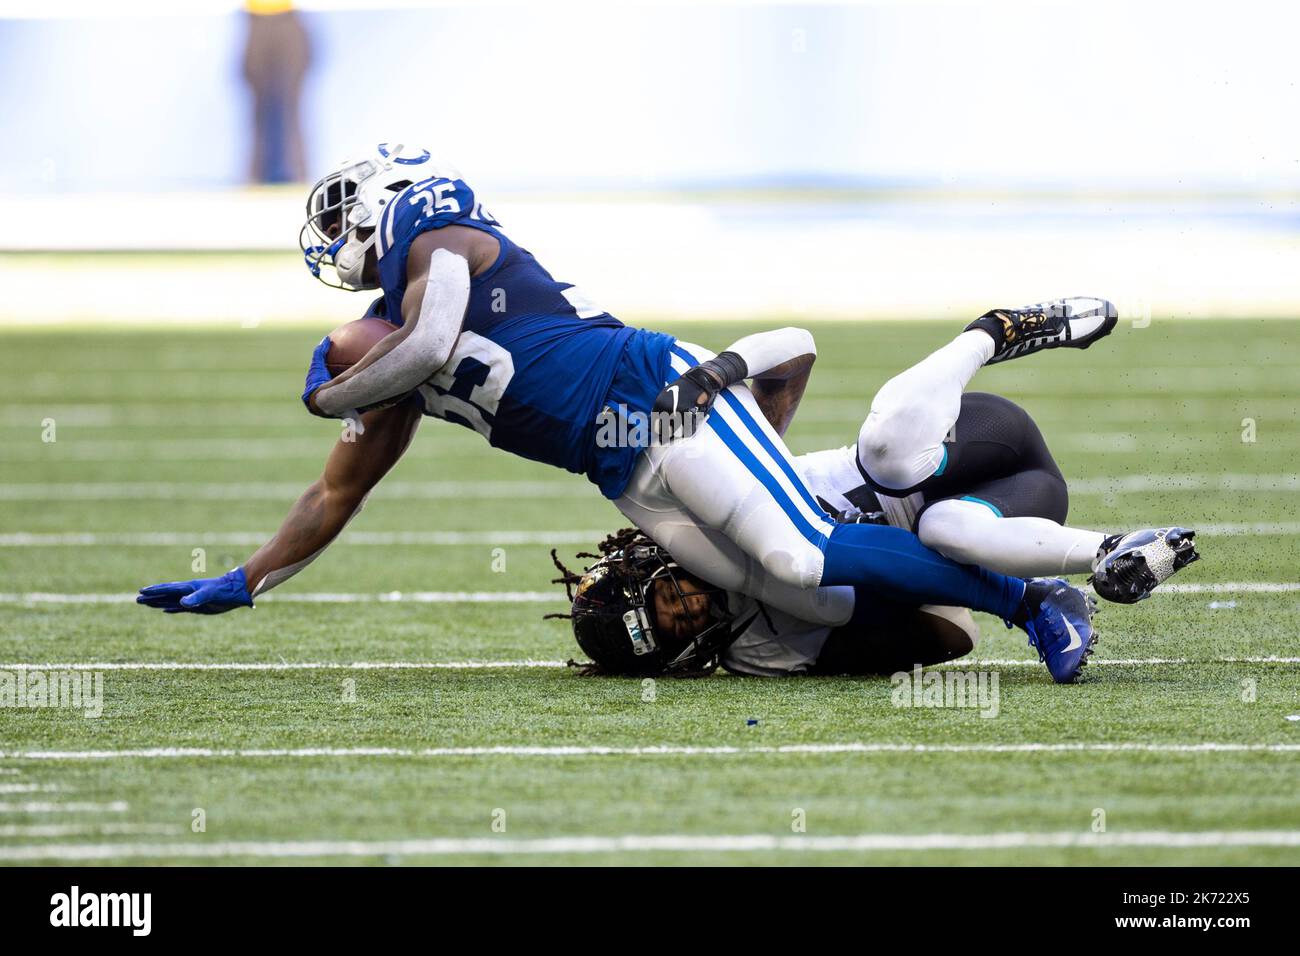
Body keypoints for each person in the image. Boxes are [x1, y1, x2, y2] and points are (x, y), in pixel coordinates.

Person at [138, 143, 1112, 682]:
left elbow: (433, 341)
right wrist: (251, 576)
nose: (342, 244)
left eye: (346, 215)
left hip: (655, 392)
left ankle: (1031, 600)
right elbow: (333, 493)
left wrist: (326, 391)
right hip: (616, 459)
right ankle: (969, 596)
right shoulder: (386, 355)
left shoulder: (431, 229)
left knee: (793, 555)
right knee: (796, 591)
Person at [551, 327, 1200, 679]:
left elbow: (791, 343)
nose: (690, 609)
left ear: (647, 561)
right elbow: (953, 638)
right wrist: (864, 641)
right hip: (1006, 515)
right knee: (948, 531)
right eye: (676, 631)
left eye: (667, 601)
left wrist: (715, 375)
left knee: (885, 456)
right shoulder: (758, 653)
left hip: (957, 445)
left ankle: (994, 332)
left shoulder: (698, 506)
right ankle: (1105, 557)